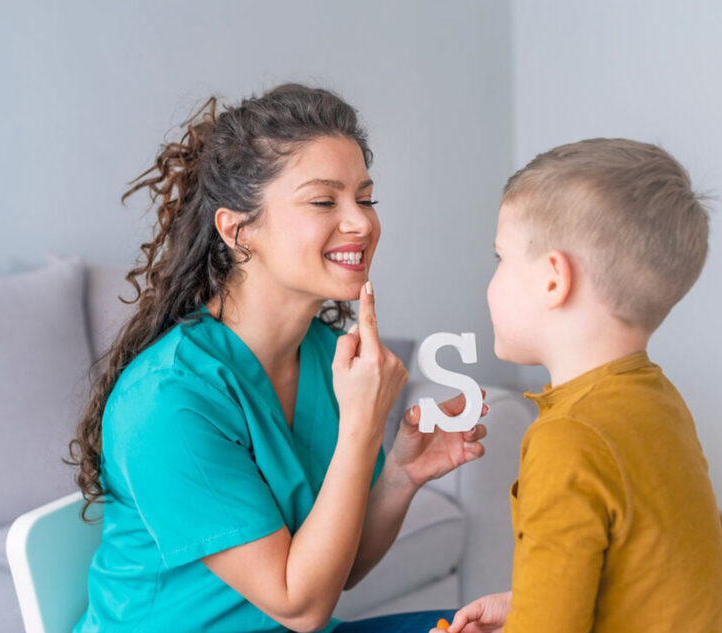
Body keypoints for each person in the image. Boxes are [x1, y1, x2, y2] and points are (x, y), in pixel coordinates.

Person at [68, 84, 489, 633]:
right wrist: (361, 427)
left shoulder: (323, 355)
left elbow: (340, 567)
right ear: (238, 230)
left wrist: (402, 474)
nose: (362, 223)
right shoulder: (168, 399)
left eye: (365, 199)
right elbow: (301, 605)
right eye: (324, 201)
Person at [439, 139, 722, 632]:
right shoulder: (659, 400)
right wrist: (527, 604)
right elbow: (640, 574)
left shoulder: (568, 439)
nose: (492, 277)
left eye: (500, 258)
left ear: (553, 279)